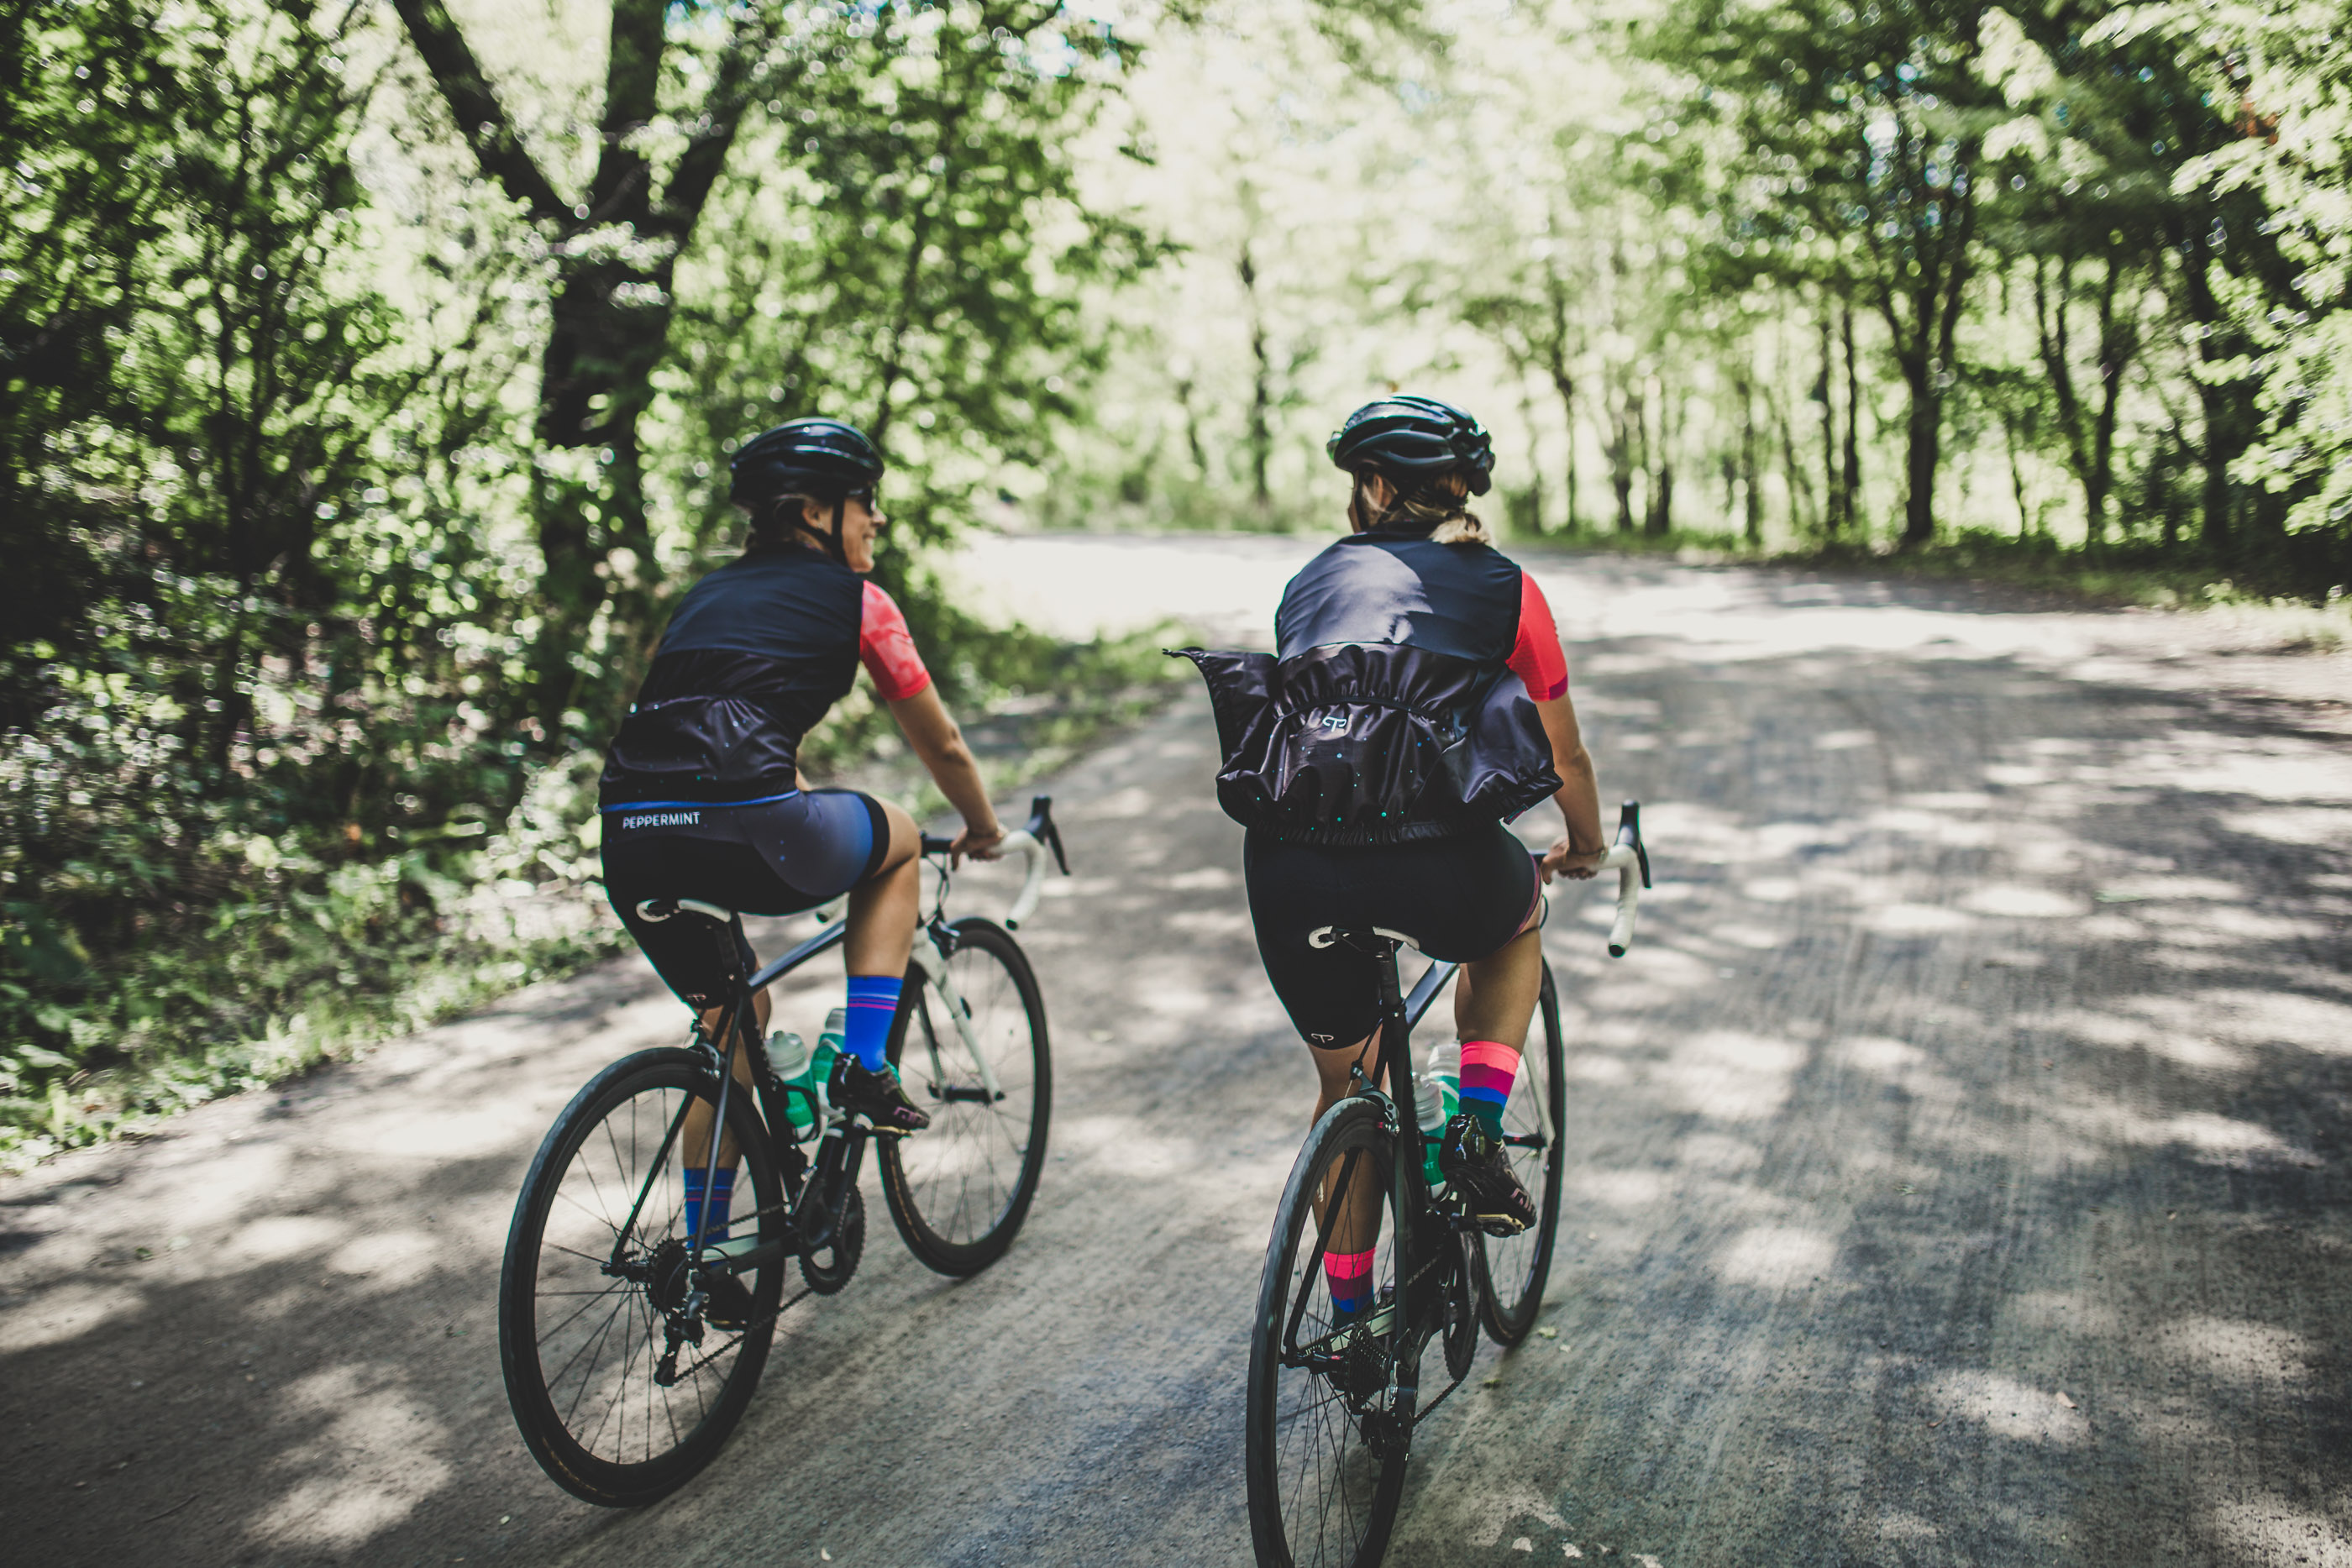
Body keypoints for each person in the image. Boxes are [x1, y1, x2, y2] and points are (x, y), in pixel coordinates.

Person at [1176, 395, 1606, 1312]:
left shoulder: (1308, 580)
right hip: (1435, 859)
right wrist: (1587, 843)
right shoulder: (1508, 584)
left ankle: (1349, 1323)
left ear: (1371, 487)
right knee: (1517, 908)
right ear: (1461, 488)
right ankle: (1479, 1133)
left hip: (1290, 863)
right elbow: (1562, 754)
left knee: (1348, 1086)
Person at [597, 417, 1005, 1269]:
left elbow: (700, 726)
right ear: (817, 509)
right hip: (752, 819)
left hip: (630, 831)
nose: (876, 520)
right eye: (866, 502)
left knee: (730, 1021)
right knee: (897, 842)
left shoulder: (703, 595)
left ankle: (704, 1260)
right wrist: (981, 825)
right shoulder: (861, 602)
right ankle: (864, 1065)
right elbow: (943, 747)